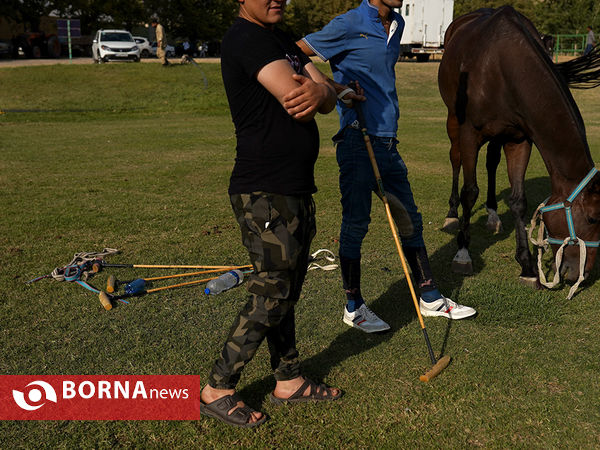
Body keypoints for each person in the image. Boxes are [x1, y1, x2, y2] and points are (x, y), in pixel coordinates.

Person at [200, 0, 342, 428]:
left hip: (294, 185)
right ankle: (217, 388)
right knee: (272, 289)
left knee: (289, 286)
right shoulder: (246, 38)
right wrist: (322, 91)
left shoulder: (281, 39)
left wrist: (325, 91)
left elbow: (326, 95)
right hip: (264, 189)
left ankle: (288, 379)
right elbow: (297, 95)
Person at [298, 0, 477, 333]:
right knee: (356, 224)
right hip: (357, 138)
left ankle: (430, 297)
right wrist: (334, 88)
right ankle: (354, 307)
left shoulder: (398, 25)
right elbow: (292, 54)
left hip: (387, 141)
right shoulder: (349, 23)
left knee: (410, 218)